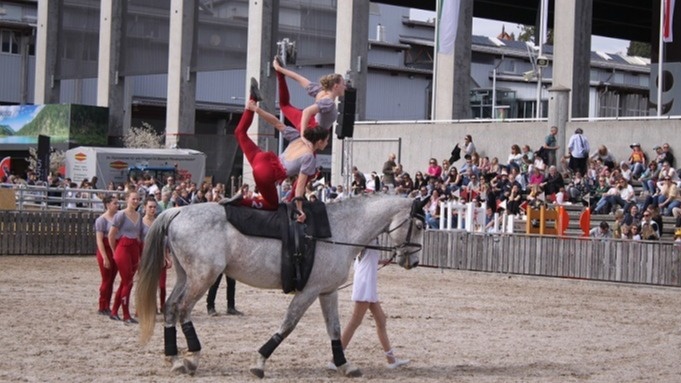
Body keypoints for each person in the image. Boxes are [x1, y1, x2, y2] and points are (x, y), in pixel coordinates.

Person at [228, 79, 330, 222]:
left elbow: (276, 122)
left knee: (240, 133)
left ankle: (252, 100)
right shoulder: (309, 158)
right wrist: (300, 210)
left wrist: (256, 109)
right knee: (272, 205)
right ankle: (240, 201)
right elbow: (299, 187)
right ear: (319, 141)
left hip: (263, 158)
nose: (327, 143)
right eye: (326, 141)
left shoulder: (297, 137)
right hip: (267, 174)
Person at [330, 239, 410, 371]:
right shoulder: (368, 237)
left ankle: (391, 360)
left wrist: (381, 261)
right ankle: (335, 359)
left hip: (368, 282)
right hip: (365, 282)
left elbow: (367, 257)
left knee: (381, 320)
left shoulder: (373, 237)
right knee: (355, 322)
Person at [272, 56, 346, 135]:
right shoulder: (328, 102)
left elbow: (298, 78)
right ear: (336, 86)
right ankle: (279, 75)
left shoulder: (320, 91)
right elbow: (307, 111)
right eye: (343, 84)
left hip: (311, 124)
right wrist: (303, 134)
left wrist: (279, 69)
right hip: (312, 129)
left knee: (284, 105)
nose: (345, 87)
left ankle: (279, 75)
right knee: (284, 105)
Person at [108, 190, 143, 324]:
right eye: (133, 199)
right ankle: (126, 314)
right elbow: (111, 234)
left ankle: (114, 311)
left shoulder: (138, 215)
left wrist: (139, 255)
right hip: (123, 247)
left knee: (125, 282)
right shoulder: (120, 215)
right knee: (128, 282)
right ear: (127, 199)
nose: (136, 201)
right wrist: (114, 251)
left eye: (138, 199)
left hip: (134, 247)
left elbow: (138, 235)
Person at [141, 197, 171, 313]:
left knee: (162, 286)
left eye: (154, 207)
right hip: (146, 257)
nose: (153, 209)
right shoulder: (141, 223)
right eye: (150, 207)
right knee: (147, 285)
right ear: (145, 208)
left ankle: (163, 306)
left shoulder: (159, 222)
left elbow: (164, 241)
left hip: (159, 257)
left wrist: (167, 257)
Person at [94, 195, 119, 316]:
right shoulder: (101, 220)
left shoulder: (118, 218)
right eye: (115, 203)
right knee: (106, 279)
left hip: (115, 249)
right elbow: (99, 240)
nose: (117, 205)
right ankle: (102, 304)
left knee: (111, 279)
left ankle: (107, 305)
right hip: (106, 250)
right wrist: (104, 257)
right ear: (108, 205)